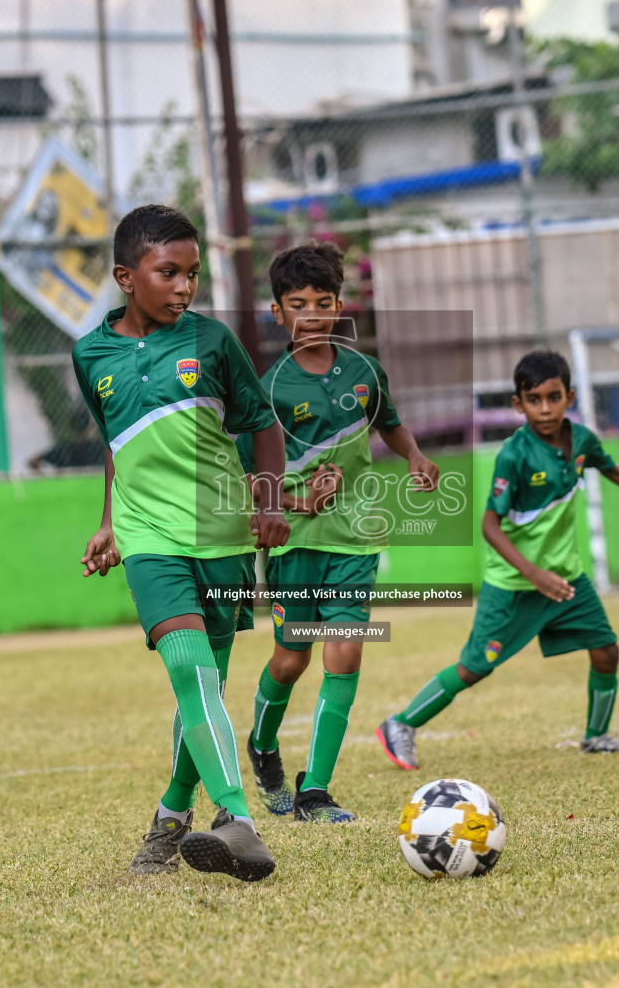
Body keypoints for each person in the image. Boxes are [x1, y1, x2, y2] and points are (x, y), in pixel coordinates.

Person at [72, 204, 289, 881]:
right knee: (191, 672)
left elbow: (263, 425)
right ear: (125, 277)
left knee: (208, 686)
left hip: (220, 536)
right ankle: (238, 820)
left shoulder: (214, 343)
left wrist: (272, 499)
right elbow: (118, 442)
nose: (184, 286)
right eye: (169, 272)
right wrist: (111, 521)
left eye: (192, 274)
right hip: (149, 540)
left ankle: (169, 821)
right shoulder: (91, 355)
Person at [376, 350, 619, 769]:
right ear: (518, 404)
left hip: (565, 579)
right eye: (534, 399)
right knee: (474, 668)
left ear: (569, 397)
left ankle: (596, 736)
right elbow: (489, 525)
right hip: (516, 584)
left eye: (553, 397)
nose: (545, 408)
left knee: (606, 650)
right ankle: (401, 723)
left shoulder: (581, 441)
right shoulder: (514, 455)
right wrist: (534, 573)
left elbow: (607, 466)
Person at [232, 242, 439, 824]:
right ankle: (263, 745)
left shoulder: (365, 372)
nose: (313, 315)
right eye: (299, 304)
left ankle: (315, 790)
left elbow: (391, 426)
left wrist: (417, 458)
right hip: (295, 540)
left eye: (323, 303)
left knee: (345, 651)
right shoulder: (268, 390)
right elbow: (246, 477)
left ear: (340, 306)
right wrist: (297, 498)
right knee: (291, 660)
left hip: (355, 534)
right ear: (278, 313)